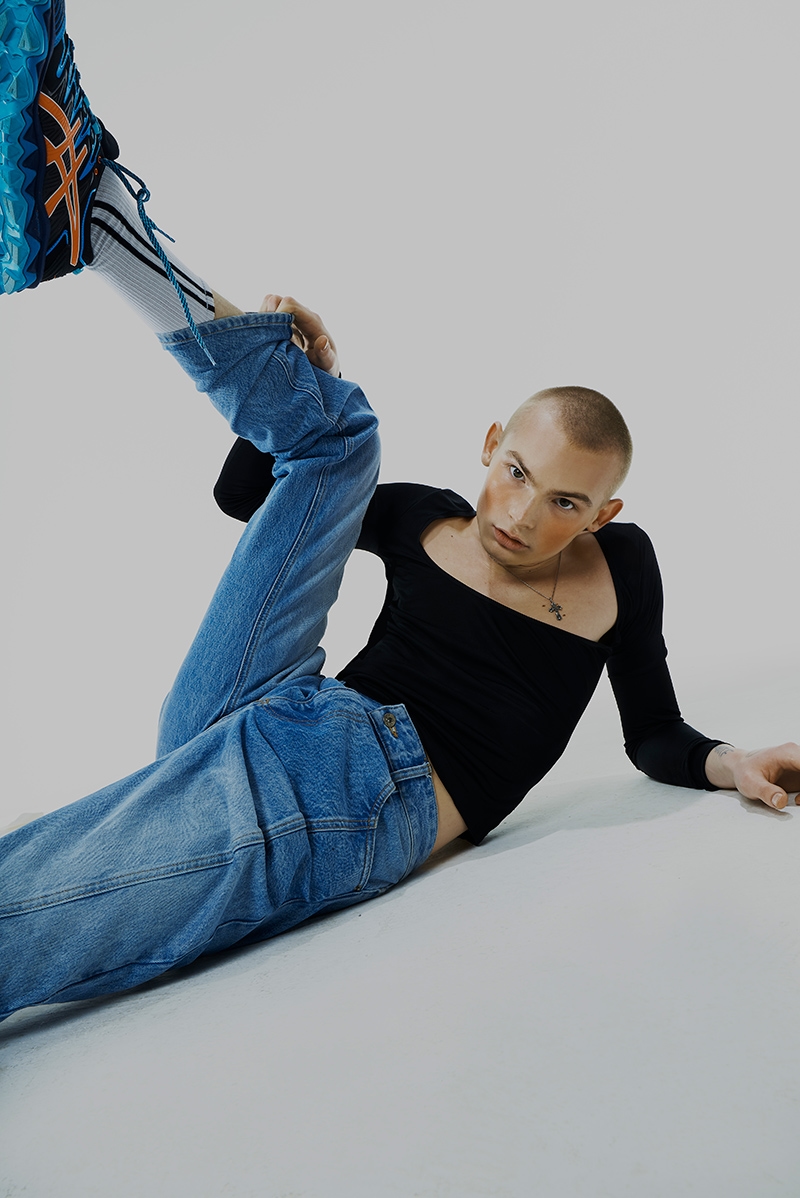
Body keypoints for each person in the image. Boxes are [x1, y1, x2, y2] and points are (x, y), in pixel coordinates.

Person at [1, 0, 798, 1023]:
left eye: (563, 501)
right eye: (515, 472)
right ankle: (101, 215)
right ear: (489, 445)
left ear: (604, 514)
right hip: (270, 704)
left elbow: (650, 731)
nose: (522, 513)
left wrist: (730, 762)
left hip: (367, 788)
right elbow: (246, 500)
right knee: (336, 437)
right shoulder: (427, 517)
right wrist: (308, 371)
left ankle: (104, 218)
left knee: (59, 900)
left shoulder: (623, 573)